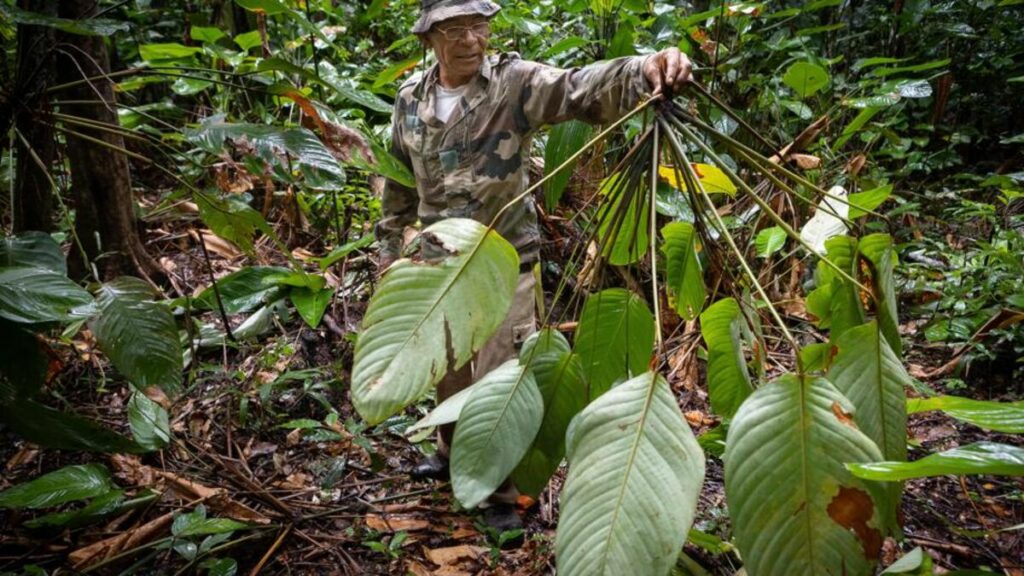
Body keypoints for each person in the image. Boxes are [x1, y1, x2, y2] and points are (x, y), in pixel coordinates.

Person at [374, 0, 692, 537]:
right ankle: (452, 454)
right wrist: (390, 253)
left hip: (506, 261)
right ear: (430, 36)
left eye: (480, 26)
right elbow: (398, 184)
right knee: (448, 365)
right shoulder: (411, 100)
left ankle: (500, 489)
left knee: (501, 372)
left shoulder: (514, 83)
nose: (473, 39)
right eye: (456, 29)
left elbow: (577, 88)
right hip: (438, 261)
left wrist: (643, 69)